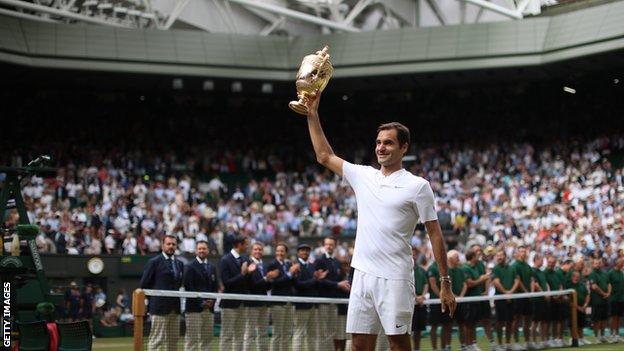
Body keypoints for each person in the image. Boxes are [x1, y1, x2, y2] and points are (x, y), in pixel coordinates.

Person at [304, 89, 455, 351]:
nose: (381, 148)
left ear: (404, 147)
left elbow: (435, 234)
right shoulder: (364, 175)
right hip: (361, 274)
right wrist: (312, 114)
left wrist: (445, 282)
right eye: (378, 142)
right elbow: (324, 156)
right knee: (359, 346)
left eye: (388, 143)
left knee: (398, 345)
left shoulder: (418, 186)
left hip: (396, 277)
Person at [139, 234, 184, 351]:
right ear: (163, 245)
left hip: (175, 308)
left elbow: (178, 284)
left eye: (173, 244)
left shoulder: (180, 264)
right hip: (159, 308)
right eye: (168, 244)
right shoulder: (154, 262)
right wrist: (151, 301)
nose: (171, 246)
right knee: (157, 340)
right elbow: (144, 284)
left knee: (173, 341)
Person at [314, 236, 350, 350]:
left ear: (334, 246)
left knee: (332, 332)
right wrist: (337, 284)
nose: (329, 246)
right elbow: (320, 281)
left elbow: (339, 280)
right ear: (324, 246)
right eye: (327, 244)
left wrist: (342, 284)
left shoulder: (337, 262)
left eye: (331, 244)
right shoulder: (319, 261)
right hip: (324, 301)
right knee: (323, 333)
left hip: (334, 302)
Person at [219, 235, 255, 351]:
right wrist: (243, 274)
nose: (248, 246)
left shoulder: (246, 259)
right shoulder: (225, 260)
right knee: (227, 336)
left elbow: (249, 282)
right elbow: (227, 283)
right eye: (246, 244)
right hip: (229, 305)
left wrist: (250, 272)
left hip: (242, 304)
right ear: (239, 245)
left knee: (239, 336)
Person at [183, 240, 218, 351]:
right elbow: (189, 286)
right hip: (194, 309)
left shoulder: (212, 267)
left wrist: (211, 301)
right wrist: (202, 302)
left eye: (204, 248)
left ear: (207, 250)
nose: (202, 251)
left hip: (209, 310)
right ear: (196, 251)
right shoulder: (190, 266)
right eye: (200, 249)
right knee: (192, 340)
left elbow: (215, 287)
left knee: (207, 340)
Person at [244, 242, 278, 351]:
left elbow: (267, 287)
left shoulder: (264, 265)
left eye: (260, 249)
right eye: (255, 249)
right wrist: (266, 278)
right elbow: (252, 285)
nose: (258, 251)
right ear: (251, 251)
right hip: (252, 303)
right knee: (249, 332)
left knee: (263, 332)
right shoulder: (248, 264)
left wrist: (271, 279)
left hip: (264, 302)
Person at [293, 243, 325, 351]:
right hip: (301, 306)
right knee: (299, 333)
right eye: (302, 250)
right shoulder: (295, 266)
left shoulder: (312, 266)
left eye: (307, 250)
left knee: (312, 334)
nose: (305, 252)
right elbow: (298, 285)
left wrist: (320, 278)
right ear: (298, 253)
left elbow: (316, 285)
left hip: (313, 306)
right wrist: (315, 279)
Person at [267, 243, 299, 351]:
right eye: (278, 251)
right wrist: (289, 274)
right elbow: (275, 283)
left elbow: (294, 282)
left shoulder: (289, 263)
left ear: (286, 253)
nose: (279, 253)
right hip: (278, 303)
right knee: (277, 333)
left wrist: (295, 273)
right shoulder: (272, 264)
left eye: (282, 251)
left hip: (290, 302)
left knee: (287, 333)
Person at [492, 250, 519, 351]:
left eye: (501, 255)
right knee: (500, 322)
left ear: (505, 256)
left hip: (511, 298)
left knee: (510, 321)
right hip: (500, 299)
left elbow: (517, 281)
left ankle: (507, 343)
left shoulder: (512, 268)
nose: (499, 257)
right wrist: (506, 293)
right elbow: (496, 282)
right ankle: (499, 344)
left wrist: (510, 293)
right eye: (497, 255)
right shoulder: (495, 269)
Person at [463, 247, 489, 351]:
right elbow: (469, 283)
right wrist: (481, 279)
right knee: (468, 324)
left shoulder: (476, 267)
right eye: (476, 255)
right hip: (469, 300)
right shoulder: (466, 268)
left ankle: (472, 344)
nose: (478, 257)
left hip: (476, 299)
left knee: (473, 323)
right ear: (472, 257)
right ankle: (467, 344)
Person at [511, 245, 533, 350]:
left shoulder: (527, 266)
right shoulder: (515, 265)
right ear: (517, 253)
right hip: (519, 296)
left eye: (525, 251)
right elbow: (518, 280)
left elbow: (531, 279)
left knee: (528, 318)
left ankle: (527, 341)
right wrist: (526, 292)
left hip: (527, 296)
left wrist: (531, 293)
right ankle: (515, 342)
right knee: (517, 319)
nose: (523, 253)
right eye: (521, 251)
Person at [447, 250, 468, 351]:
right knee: (448, 325)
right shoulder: (446, 271)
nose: (459, 259)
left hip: (460, 301)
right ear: (450, 259)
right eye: (457, 257)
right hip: (450, 302)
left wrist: (461, 297)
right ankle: (447, 346)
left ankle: (463, 346)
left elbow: (464, 284)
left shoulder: (460, 270)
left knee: (462, 324)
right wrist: (455, 297)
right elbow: (447, 287)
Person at [588, 257, 611, 343]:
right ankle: (596, 336)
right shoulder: (592, 274)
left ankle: (602, 335)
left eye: (599, 263)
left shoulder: (604, 273)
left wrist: (608, 293)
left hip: (605, 300)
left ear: (602, 264)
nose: (598, 265)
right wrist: (604, 294)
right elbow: (594, 286)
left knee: (604, 319)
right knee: (596, 319)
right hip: (597, 300)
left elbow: (609, 283)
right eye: (596, 263)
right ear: (593, 264)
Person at [530, 254, 549, 349]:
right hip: (537, 299)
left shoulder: (541, 272)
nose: (542, 262)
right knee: (535, 321)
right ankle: (533, 341)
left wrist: (547, 293)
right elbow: (536, 284)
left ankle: (543, 340)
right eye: (541, 260)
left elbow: (545, 283)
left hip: (544, 299)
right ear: (536, 260)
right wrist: (544, 294)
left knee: (544, 321)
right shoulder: (532, 271)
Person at [412, 248, 428, 351]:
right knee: (405, 330)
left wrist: (422, 296)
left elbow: (426, 284)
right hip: (408, 302)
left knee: (418, 329)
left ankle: (417, 349)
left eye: (414, 255)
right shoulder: (403, 270)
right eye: (411, 255)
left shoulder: (421, 270)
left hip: (420, 302)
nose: (413, 257)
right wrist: (414, 297)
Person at [569, 270, 590, 346]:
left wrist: (585, 305)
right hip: (572, 309)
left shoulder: (582, 285)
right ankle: (574, 338)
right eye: (575, 276)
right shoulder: (569, 286)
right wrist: (577, 307)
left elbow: (587, 295)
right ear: (572, 277)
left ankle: (581, 338)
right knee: (573, 325)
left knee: (581, 324)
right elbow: (569, 300)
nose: (576, 278)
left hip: (582, 307)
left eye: (578, 277)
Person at [607, 257, 624, 343]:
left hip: (621, 299)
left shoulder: (622, 273)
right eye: (622, 262)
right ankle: (612, 335)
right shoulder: (610, 273)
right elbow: (608, 284)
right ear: (617, 263)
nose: (623, 264)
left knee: (619, 317)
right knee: (613, 317)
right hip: (613, 299)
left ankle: (616, 334)